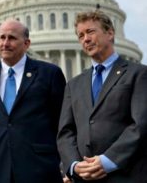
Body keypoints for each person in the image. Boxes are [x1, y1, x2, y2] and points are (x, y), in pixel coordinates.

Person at [57, 10, 147, 182]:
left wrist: (107, 161)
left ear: (110, 33)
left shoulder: (138, 74)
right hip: (85, 178)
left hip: (126, 175)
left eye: (90, 32)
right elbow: (65, 132)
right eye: (81, 35)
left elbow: (141, 124)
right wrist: (74, 165)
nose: (86, 39)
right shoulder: (74, 85)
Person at [0, 19, 66, 183]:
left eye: (12, 38)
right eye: (2, 37)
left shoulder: (49, 74)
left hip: (40, 170)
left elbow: (61, 122)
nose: (5, 43)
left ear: (27, 43)